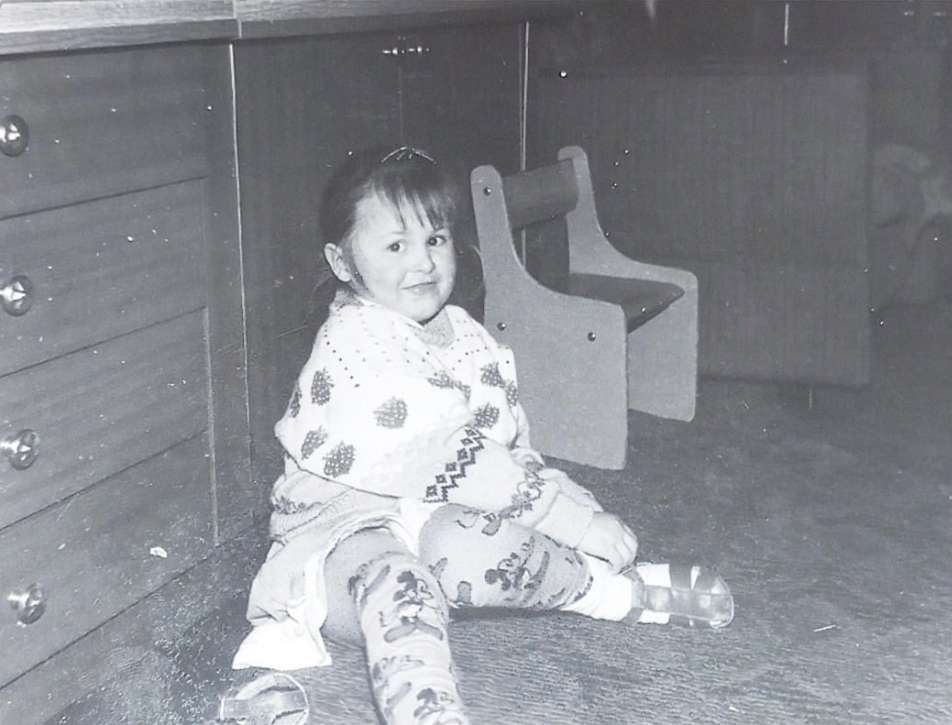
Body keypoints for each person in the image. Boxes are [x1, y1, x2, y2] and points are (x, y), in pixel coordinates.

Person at [232, 146, 734, 725]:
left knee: (471, 551)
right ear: (343, 264)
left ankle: (605, 592)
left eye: (435, 240)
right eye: (396, 246)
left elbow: (510, 448)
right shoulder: (355, 343)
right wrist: (574, 523)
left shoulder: (465, 334)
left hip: (435, 516)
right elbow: (460, 458)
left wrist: (569, 504)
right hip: (346, 537)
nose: (422, 263)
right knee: (400, 582)